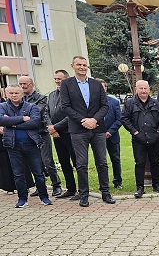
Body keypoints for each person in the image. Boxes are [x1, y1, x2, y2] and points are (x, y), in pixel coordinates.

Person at [54, 55, 114, 207]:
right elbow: (65, 106)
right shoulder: (67, 84)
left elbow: (104, 105)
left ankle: (105, 193)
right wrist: (83, 120)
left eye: (84, 65)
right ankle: (84, 195)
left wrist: (94, 120)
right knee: (81, 164)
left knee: (102, 162)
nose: (82, 67)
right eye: (79, 65)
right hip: (78, 130)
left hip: (98, 128)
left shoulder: (96, 84)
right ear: (72, 66)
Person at [0, 84, 52, 207]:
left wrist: (12, 123)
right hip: (13, 146)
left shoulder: (31, 106)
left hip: (31, 144)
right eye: (11, 93)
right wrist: (23, 118)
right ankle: (22, 199)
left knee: (38, 173)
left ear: (21, 93)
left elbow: (35, 123)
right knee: (18, 174)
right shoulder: (2, 106)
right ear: (7, 94)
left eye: (16, 93)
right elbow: (2, 120)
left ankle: (44, 197)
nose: (14, 95)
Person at [121, 80, 159, 198]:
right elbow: (124, 119)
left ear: (149, 89)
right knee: (140, 163)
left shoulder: (155, 103)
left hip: (154, 138)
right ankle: (140, 187)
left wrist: (158, 132)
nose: (143, 91)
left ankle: (156, 184)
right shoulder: (130, 103)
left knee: (155, 162)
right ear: (136, 89)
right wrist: (135, 132)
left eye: (145, 88)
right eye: (141, 88)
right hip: (138, 139)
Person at [19, 75, 62, 197]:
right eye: (20, 84)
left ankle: (56, 185)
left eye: (25, 84)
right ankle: (40, 186)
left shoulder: (41, 98)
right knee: (33, 162)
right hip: (27, 134)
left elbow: (38, 113)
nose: (22, 86)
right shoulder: (20, 99)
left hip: (41, 133)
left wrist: (21, 116)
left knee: (47, 161)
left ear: (32, 85)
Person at [47, 70, 76, 198]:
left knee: (77, 162)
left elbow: (72, 114)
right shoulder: (52, 95)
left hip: (70, 132)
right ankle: (70, 188)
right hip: (56, 134)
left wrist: (56, 127)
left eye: (60, 79)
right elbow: (47, 112)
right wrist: (51, 127)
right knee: (64, 162)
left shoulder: (72, 94)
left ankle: (82, 190)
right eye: (55, 79)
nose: (57, 81)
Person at [98, 79, 123, 189]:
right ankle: (103, 183)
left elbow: (119, 119)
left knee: (115, 159)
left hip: (112, 136)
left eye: (102, 87)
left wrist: (110, 132)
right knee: (100, 161)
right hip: (97, 136)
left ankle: (117, 181)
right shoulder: (91, 103)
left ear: (106, 88)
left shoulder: (114, 102)